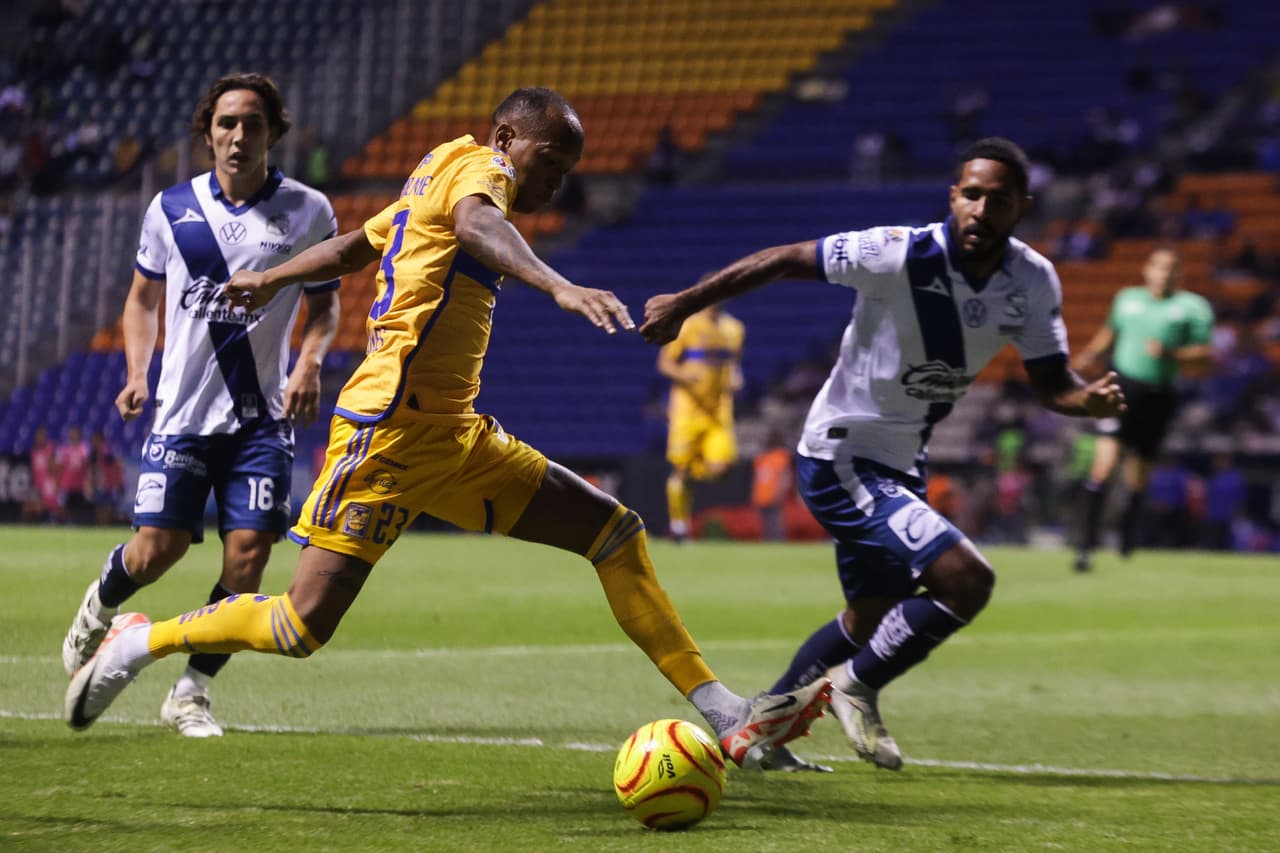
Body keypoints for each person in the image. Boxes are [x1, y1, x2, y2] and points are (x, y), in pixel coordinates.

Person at [64, 87, 832, 768]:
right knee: (299, 627)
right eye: (549, 158)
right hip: (387, 433)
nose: (554, 179)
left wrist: (272, 275)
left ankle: (726, 714)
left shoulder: (436, 166)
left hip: (457, 435)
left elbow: (358, 241)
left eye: (566, 170)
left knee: (615, 532)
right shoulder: (477, 176)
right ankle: (142, 638)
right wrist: (559, 285)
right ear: (506, 139)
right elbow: (474, 224)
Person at [641, 138, 1126, 772]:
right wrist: (685, 303)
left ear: (1021, 208)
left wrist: (1085, 400)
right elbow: (785, 259)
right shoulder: (896, 252)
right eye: (970, 194)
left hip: (900, 461)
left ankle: (760, 736)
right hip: (842, 454)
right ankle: (855, 686)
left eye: (997, 199)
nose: (980, 209)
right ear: (953, 196)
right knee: (966, 579)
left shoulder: (1030, 281)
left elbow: (1052, 382)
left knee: (870, 616)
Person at [60, 72, 341, 737]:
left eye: (251, 123)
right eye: (226, 123)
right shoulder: (170, 209)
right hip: (182, 416)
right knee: (155, 551)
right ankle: (101, 605)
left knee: (248, 560)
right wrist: (136, 371)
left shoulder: (310, 212)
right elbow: (140, 299)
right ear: (207, 131)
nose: (238, 135)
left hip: (261, 419)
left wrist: (309, 360)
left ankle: (191, 690)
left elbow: (326, 309)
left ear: (273, 130)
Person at [1070, 247, 1213, 571]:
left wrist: (1172, 354)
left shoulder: (1193, 308)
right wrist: (1090, 354)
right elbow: (1111, 332)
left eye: (1171, 269)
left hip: (1159, 395)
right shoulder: (1127, 299)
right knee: (1103, 466)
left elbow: (1205, 357)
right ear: (1147, 270)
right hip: (1123, 387)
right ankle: (1085, 545)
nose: (1164, 275)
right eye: (1159, 268)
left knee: (1138, 475)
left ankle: (1126, 539)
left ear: (1180, 274)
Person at [657, 304, 744, 542]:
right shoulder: (687, 325)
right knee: (680, 470)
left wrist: (736, 376)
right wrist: (686, 375)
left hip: (718, 412)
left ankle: (693, 470)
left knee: (720, 467)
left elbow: (733, 363)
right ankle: (679, 526)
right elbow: (665, 363)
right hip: (687, 411)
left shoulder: (734, 328)